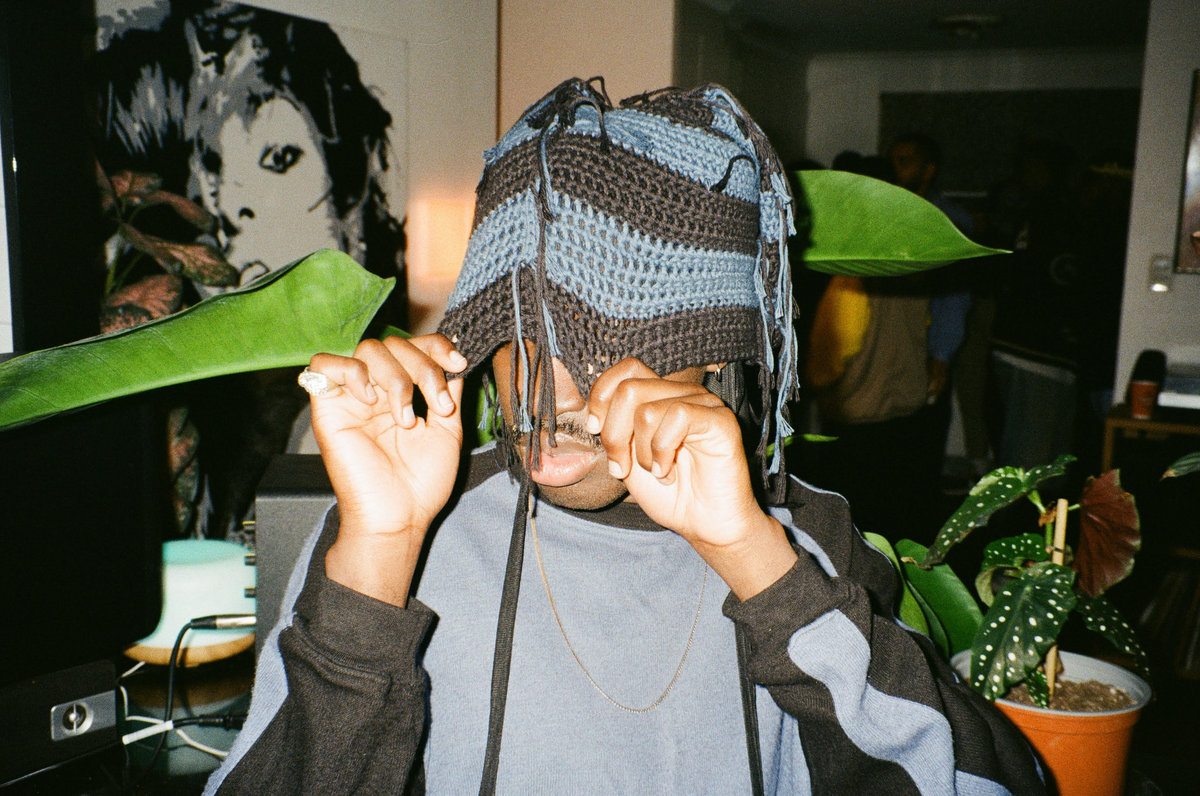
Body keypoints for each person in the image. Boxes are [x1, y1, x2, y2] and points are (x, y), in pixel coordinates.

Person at [205, 79, 1043, 794]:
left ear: (718, 354)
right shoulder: (405, 534)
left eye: (615, 337)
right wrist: (379, 555)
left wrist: (760, 566)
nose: (548, 390)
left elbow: (995, 780)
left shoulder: (801, 542)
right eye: (523, 324)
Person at [804, 134, 974, 539]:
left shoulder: (851, 270)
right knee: (902, 517)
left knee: (859, 524)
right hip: (907, 406)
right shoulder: (910, 259)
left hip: (859, 411)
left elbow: (837, 347)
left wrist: (814, 382)